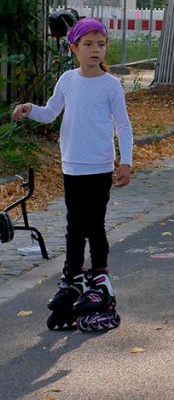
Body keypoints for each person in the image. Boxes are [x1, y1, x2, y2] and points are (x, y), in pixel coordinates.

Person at [13, 19, 133, 332]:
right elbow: (51, 112)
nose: (96, 50)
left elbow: (124, 126)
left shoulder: (110, 85)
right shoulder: (67, 80)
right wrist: (30, 109)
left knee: (93, 224)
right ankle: (72, 278)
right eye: (89, 44)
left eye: (101, 44)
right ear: (74, 48)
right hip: (71, 165)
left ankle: (100, 277)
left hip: (99, 166)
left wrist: (126, 162)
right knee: (73, 227)